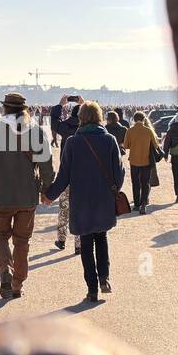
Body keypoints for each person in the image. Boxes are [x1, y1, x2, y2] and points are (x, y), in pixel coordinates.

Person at [43, 100, 124, 303]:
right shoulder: (110, 140)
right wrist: (113, 189)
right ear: (99, 117)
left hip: (81, 202)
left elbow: (63, 176)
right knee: (102, 238)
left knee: (86, 245)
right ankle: (104, 277)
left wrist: (49, 195)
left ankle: (92, 289)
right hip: (103, 200)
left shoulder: (72, 142)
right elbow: (120, 172)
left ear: (81, 118)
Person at [0, 92, 54, 299]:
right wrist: (46, 189)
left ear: (4, 109)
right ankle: (17, 285)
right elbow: (46, 166)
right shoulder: (36, 132)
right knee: (22, 241)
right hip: (27, 196)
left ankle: (5, 271)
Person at [47, 95, 82, 253]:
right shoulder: (89, 129)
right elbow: (99, 118)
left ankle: (61, 240)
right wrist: (85, 103)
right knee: (80, 210)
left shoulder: (66, 126)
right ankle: (79, 243)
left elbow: (53, 121)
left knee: (64, 209)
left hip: (67, 173)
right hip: (84, 175)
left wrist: (60, 105)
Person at [122, 110, 163, 213]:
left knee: (135, 183)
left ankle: (136, 204)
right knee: (145, 183)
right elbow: (156, 145)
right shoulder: (148, 131)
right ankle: (143, 204)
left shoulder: (130, 131)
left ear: (134, 119)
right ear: (144, 119)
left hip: (134, 161)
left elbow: (126, 146)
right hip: (146, 161)